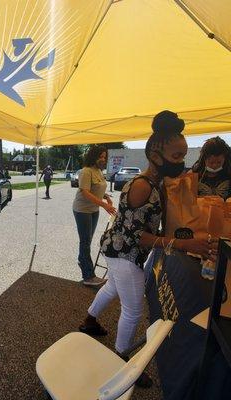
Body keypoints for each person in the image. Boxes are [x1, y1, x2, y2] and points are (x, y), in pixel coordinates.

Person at [78, 111, 217, 388]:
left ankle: (89, 321)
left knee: (112, 289)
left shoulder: (153, 182)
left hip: (115, 249)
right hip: (125, 254)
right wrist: (183, 244)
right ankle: (122, 361)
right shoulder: (142, 186)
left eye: (183, 156)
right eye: (176, 156)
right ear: (155, 154)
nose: (181, 162)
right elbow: (138, 236)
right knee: (132, 310)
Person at [73, 145, 117, 287]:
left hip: (93, 210)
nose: (103, 159)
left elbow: (98, 188)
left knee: (88, 240)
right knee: (85, 241)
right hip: (82, 210)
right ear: (93, 156)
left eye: (104, 157)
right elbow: (85, 192)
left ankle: (82, 259)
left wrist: (106, 197)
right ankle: (88, 276)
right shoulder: (86, 171)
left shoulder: (98, 171)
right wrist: (105, 205)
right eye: (100, 156)